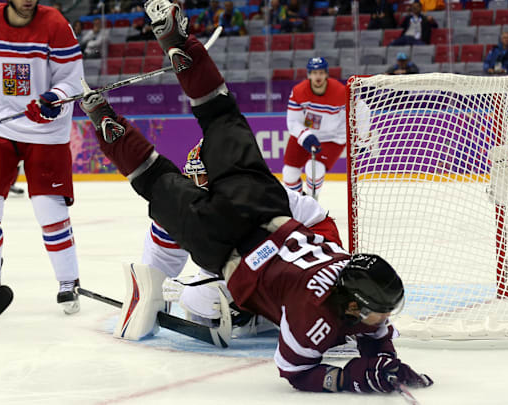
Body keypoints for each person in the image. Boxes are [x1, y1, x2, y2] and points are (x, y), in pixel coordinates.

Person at [80, 0, 434, 393]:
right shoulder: (317, 314)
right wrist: (356, 374)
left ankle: (168, 56)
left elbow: (158, 266)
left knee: (218, 117)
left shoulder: (344, 289)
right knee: (154, 178)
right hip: (228, 245)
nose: (384, 318)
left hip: (257, 211)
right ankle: (106, 119)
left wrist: (382, 356)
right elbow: (296, 372)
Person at [0, 0, 83, 315]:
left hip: (46, 130)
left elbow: (71, 79)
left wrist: (56, 98)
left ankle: (68, 281)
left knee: (49, 209)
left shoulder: (55, 24)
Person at [143, 138, 343, 337]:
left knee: (201, 298)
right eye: (195, 175)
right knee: (201, 300)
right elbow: (161, 253)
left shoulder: (251, 197)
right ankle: (262, 312)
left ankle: (269, 313)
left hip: (315, 241)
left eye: (203, 175)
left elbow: (251, 256)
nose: (196, 183)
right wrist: (150, 290)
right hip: (281, 249)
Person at [282, 57, 345, 198]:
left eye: (321, 72)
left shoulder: (340, 91)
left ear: (327, 74)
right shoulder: (299, 91)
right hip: (307, 134)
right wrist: (305, 136)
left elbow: (361, 109)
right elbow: (292, 121)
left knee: (314, 168)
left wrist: (362, 137)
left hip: (332, 137)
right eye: (315, 72)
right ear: (309, 74)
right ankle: (298, 204)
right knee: (289, 173)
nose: (318, 76)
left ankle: (311, 200)